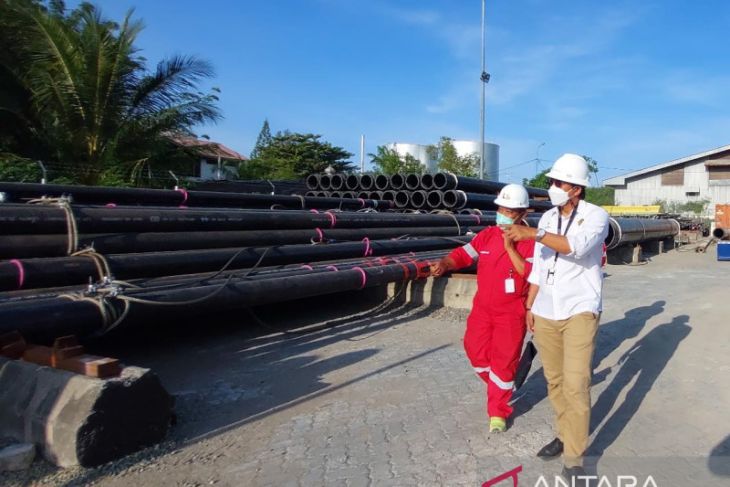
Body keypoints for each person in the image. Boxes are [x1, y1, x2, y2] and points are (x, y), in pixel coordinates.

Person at [502, 153, 609, 483]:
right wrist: (531, 305)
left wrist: (532, 234)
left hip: (579, 309)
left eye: (558, 183)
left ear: (576, 189)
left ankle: (575, 456)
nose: (552, 188)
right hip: (546, 310)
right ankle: (564, 434)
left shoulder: (596, 216)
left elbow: (575, 247)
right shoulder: (547, 217)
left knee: (576, 384)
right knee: (556, 381)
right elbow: (539, 264)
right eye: (551, 182)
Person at [431, 184, 535, 433]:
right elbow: (464, 254)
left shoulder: (530, 241)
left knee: (504, 360)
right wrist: (445, 263)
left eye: (508, 210)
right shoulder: (487, 235)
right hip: (483, 310)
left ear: (521, 213)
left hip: (511, 313)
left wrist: (511, 247)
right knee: (474, 350)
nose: (502, 213)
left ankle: (498, 411)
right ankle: (501, 385)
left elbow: (530, 273)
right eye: (500, 208)